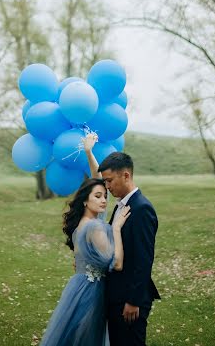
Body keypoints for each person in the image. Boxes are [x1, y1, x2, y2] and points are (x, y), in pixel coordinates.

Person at [84, 138, 160, 346]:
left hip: (130, 299)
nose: (106, 187)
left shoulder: (141, 208)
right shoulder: (121, 204)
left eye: (109, 181)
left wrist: (133, 301)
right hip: (116, 294)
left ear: (126, 175)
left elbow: (143, 259)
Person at [40, 176, 131, 346]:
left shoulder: (83, 223)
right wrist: (117, 229)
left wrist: (89, 153)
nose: (104, 200)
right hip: (93, 290)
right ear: (84, 201)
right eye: (98, 196)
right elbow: (117, 264)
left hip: (79, 285)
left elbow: (97, 176)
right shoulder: (94, 227)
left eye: (105, 195)